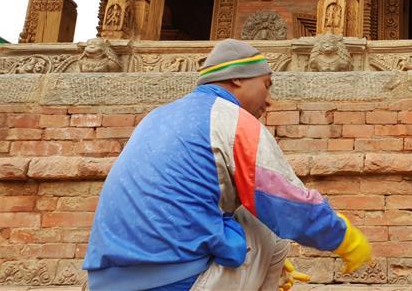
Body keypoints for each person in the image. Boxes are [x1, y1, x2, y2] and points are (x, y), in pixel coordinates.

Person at [83, 39, 371, 291]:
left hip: (104, 280)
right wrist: (344, 237)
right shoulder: (231, 118)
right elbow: (287, 203)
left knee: (243, 211)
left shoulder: (157, 115)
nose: (269, 100)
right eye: (266, 85)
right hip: (175, 280)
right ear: (237, 79)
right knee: (269, 227)